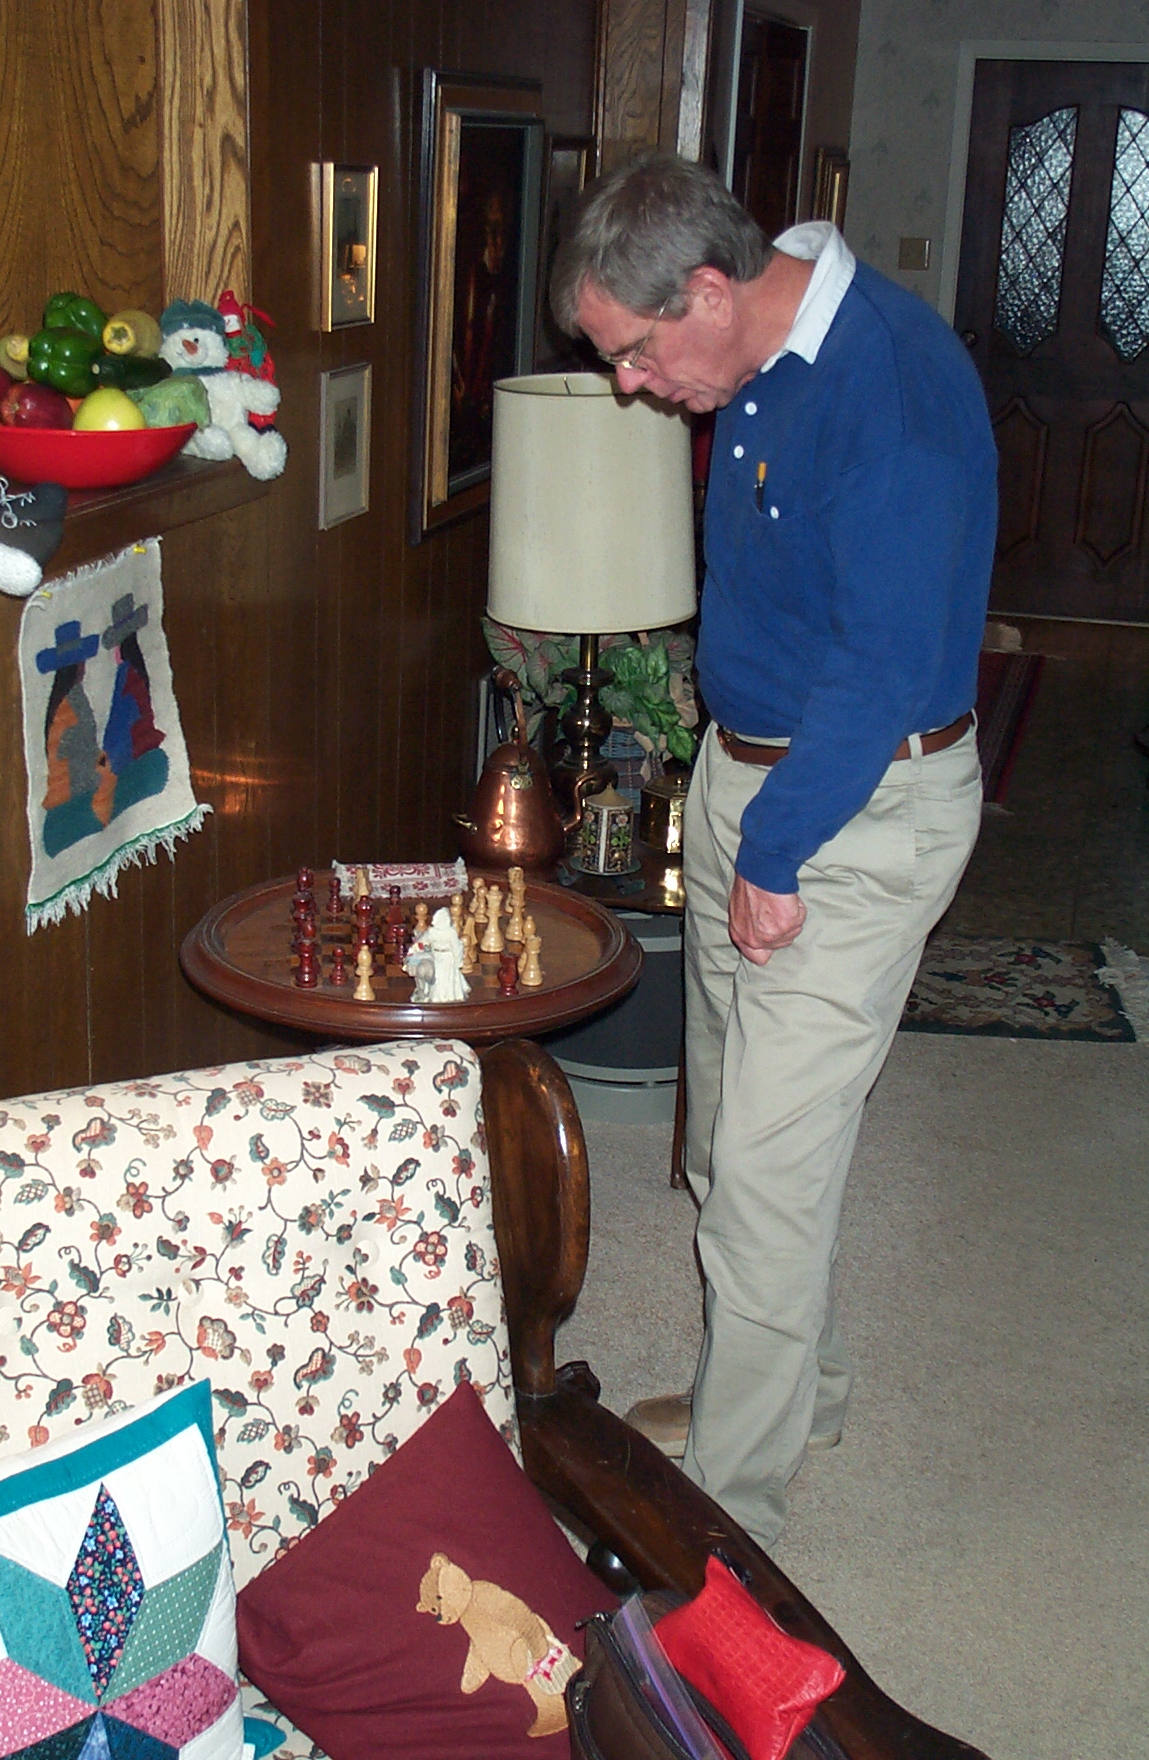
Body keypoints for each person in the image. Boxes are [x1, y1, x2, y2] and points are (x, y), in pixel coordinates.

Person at [550, 154, 997, 1548]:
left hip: (850, 814)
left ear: (704, 289)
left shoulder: (894, 392)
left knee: (763, 1175)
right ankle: (801, 1388)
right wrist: (720, 794)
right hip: (748, 784)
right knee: (730, 1149)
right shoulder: (752, 350)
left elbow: (875, 671)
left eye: (631, 354)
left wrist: (779, 850)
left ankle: (722, 1532)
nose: (630, 385)